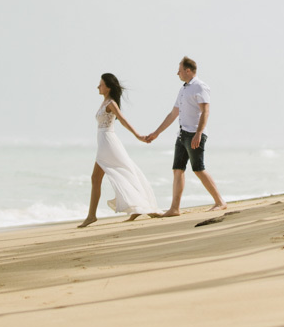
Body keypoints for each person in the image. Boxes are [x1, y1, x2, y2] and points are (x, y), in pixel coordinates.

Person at [144, 56, 226, 217]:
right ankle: (174, 208)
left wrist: (198, 133)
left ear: (188, 71)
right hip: (182, 134)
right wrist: (156, 133)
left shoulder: (200, 87)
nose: (177, 73)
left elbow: (205, 111)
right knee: (177, 169)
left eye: (180, 70)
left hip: (194, 134)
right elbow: (174, 113)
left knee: (198, 169)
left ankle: (220, 202)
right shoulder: (183, 89)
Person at [78, 73, 158, 227]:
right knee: (107, 175)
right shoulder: (104, 102)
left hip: (108, 142)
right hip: (103, 142)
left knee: (101, 176)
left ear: (108, 87)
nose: (98, 87)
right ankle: (136, 207)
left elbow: (122, 120)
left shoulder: (111, 103)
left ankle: (91, 216)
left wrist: (138, 136)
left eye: (100, 84)